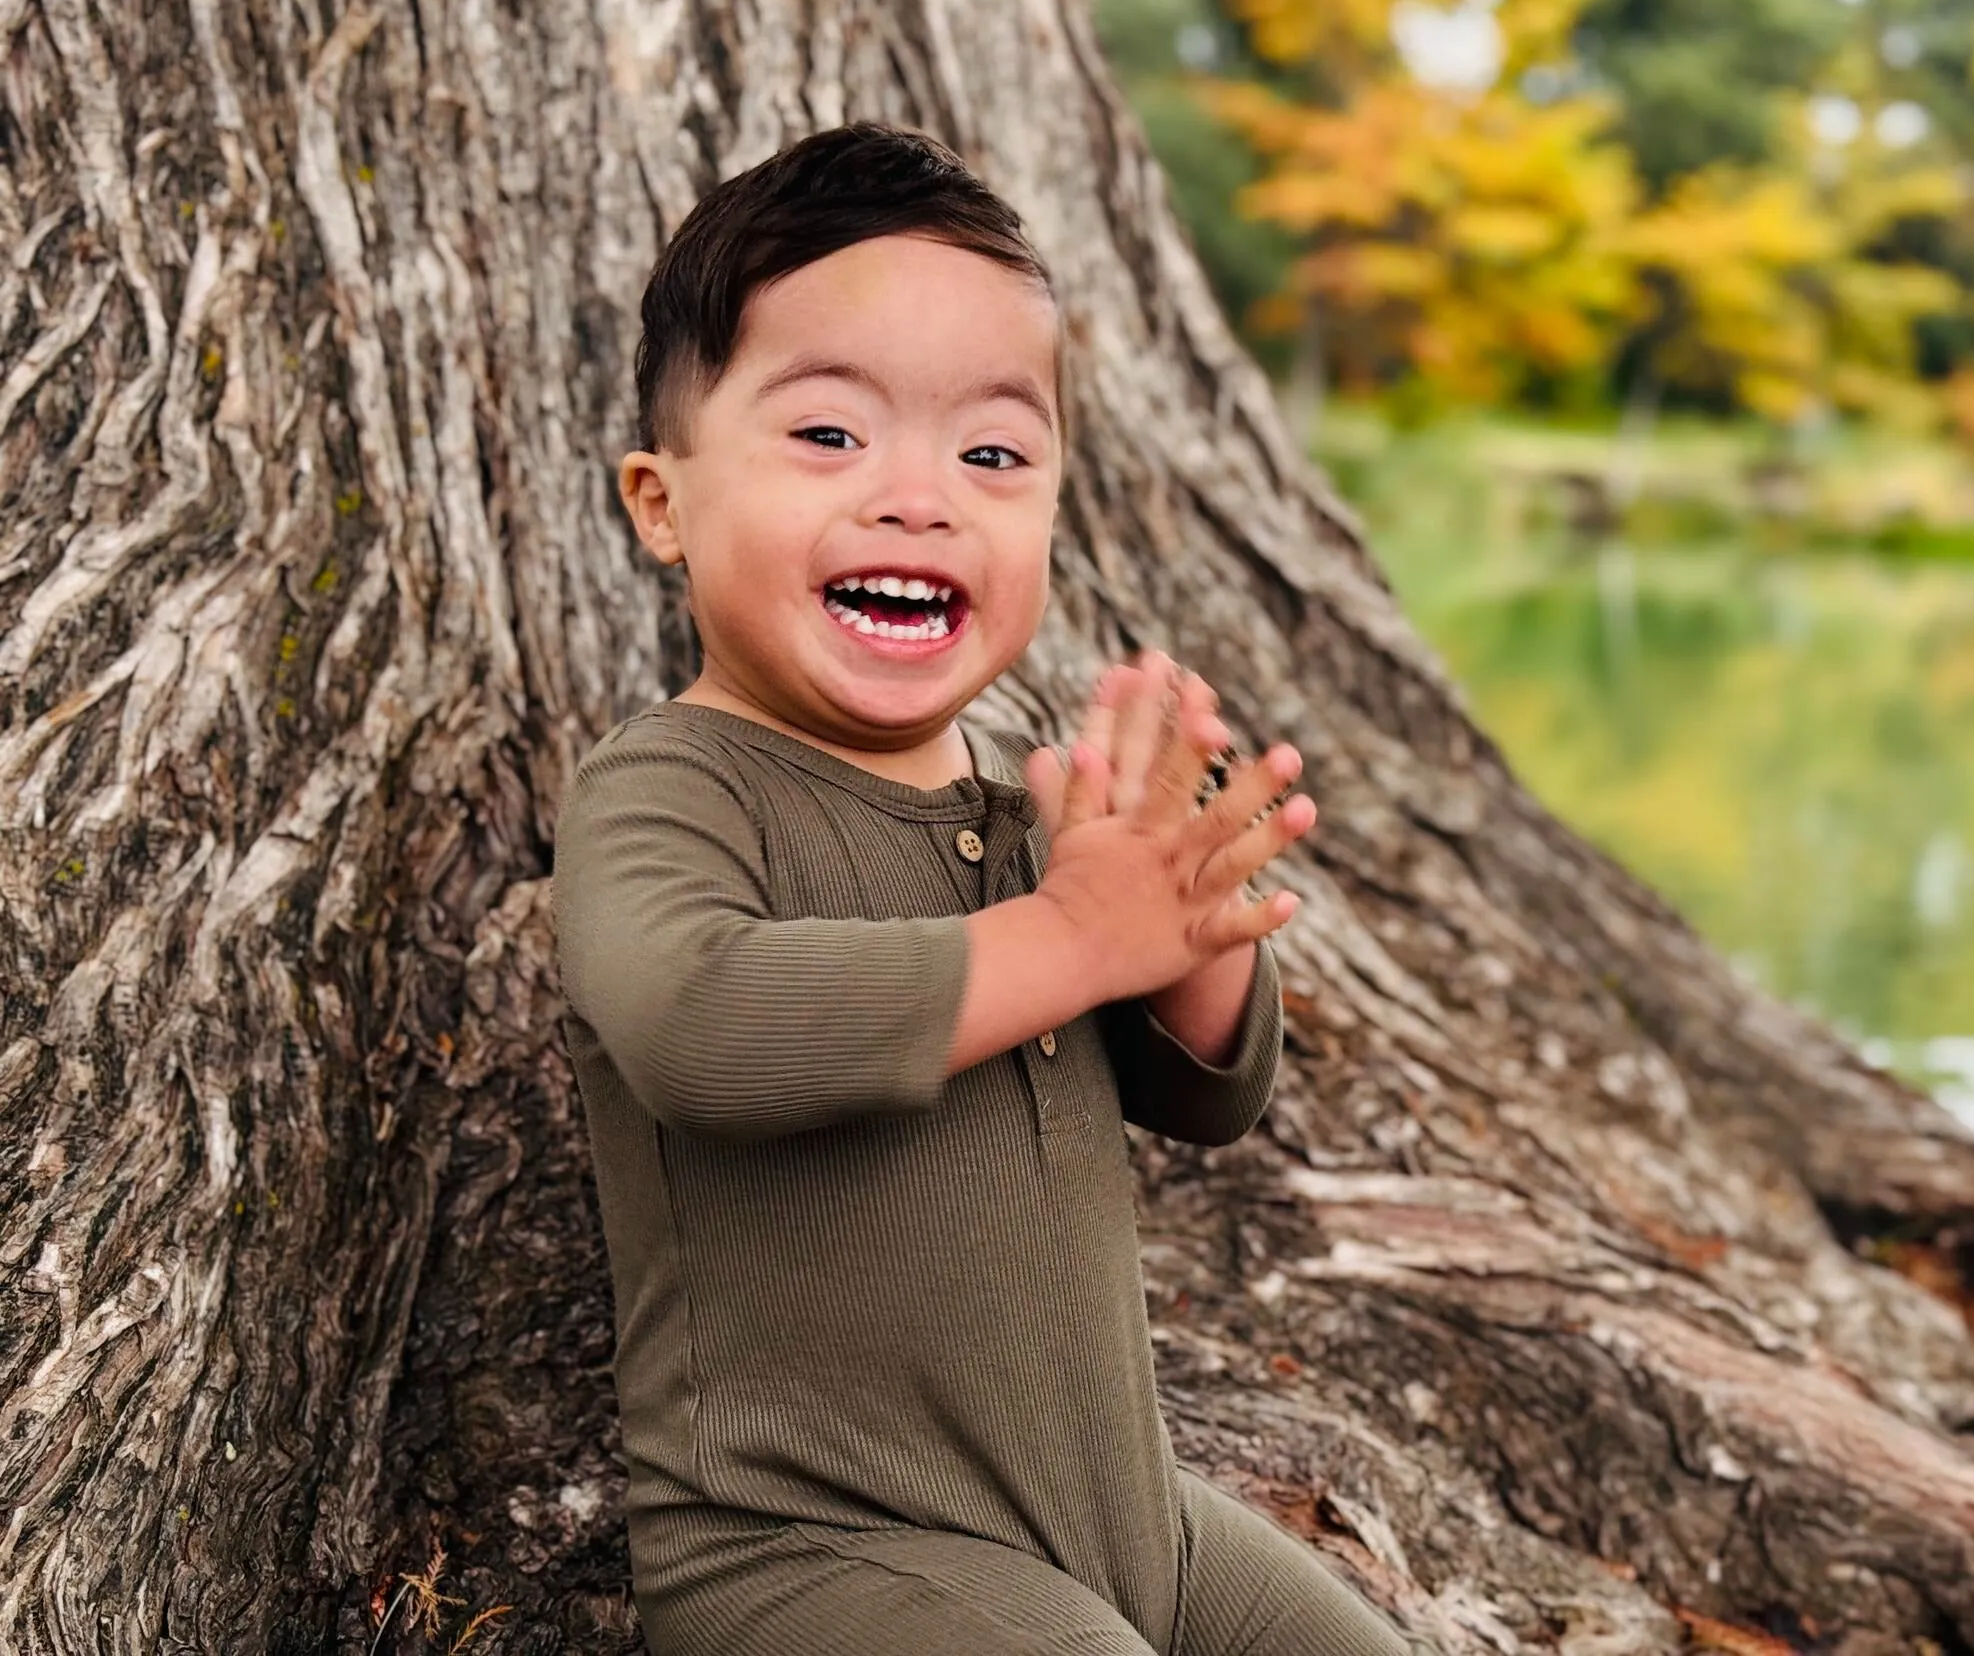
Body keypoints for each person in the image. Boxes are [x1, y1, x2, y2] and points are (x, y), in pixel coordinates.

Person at [551, 123, 1419, 1655]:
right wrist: (1078, 932)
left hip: (1119, 1520)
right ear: (662, 501)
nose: (920, 497)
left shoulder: (1031, 807)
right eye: (829, 437)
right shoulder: (673, 787)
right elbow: (697, 1026)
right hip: (815, 1552)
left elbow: (1206, 1099)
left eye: (993, 454)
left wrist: (1183, 930)